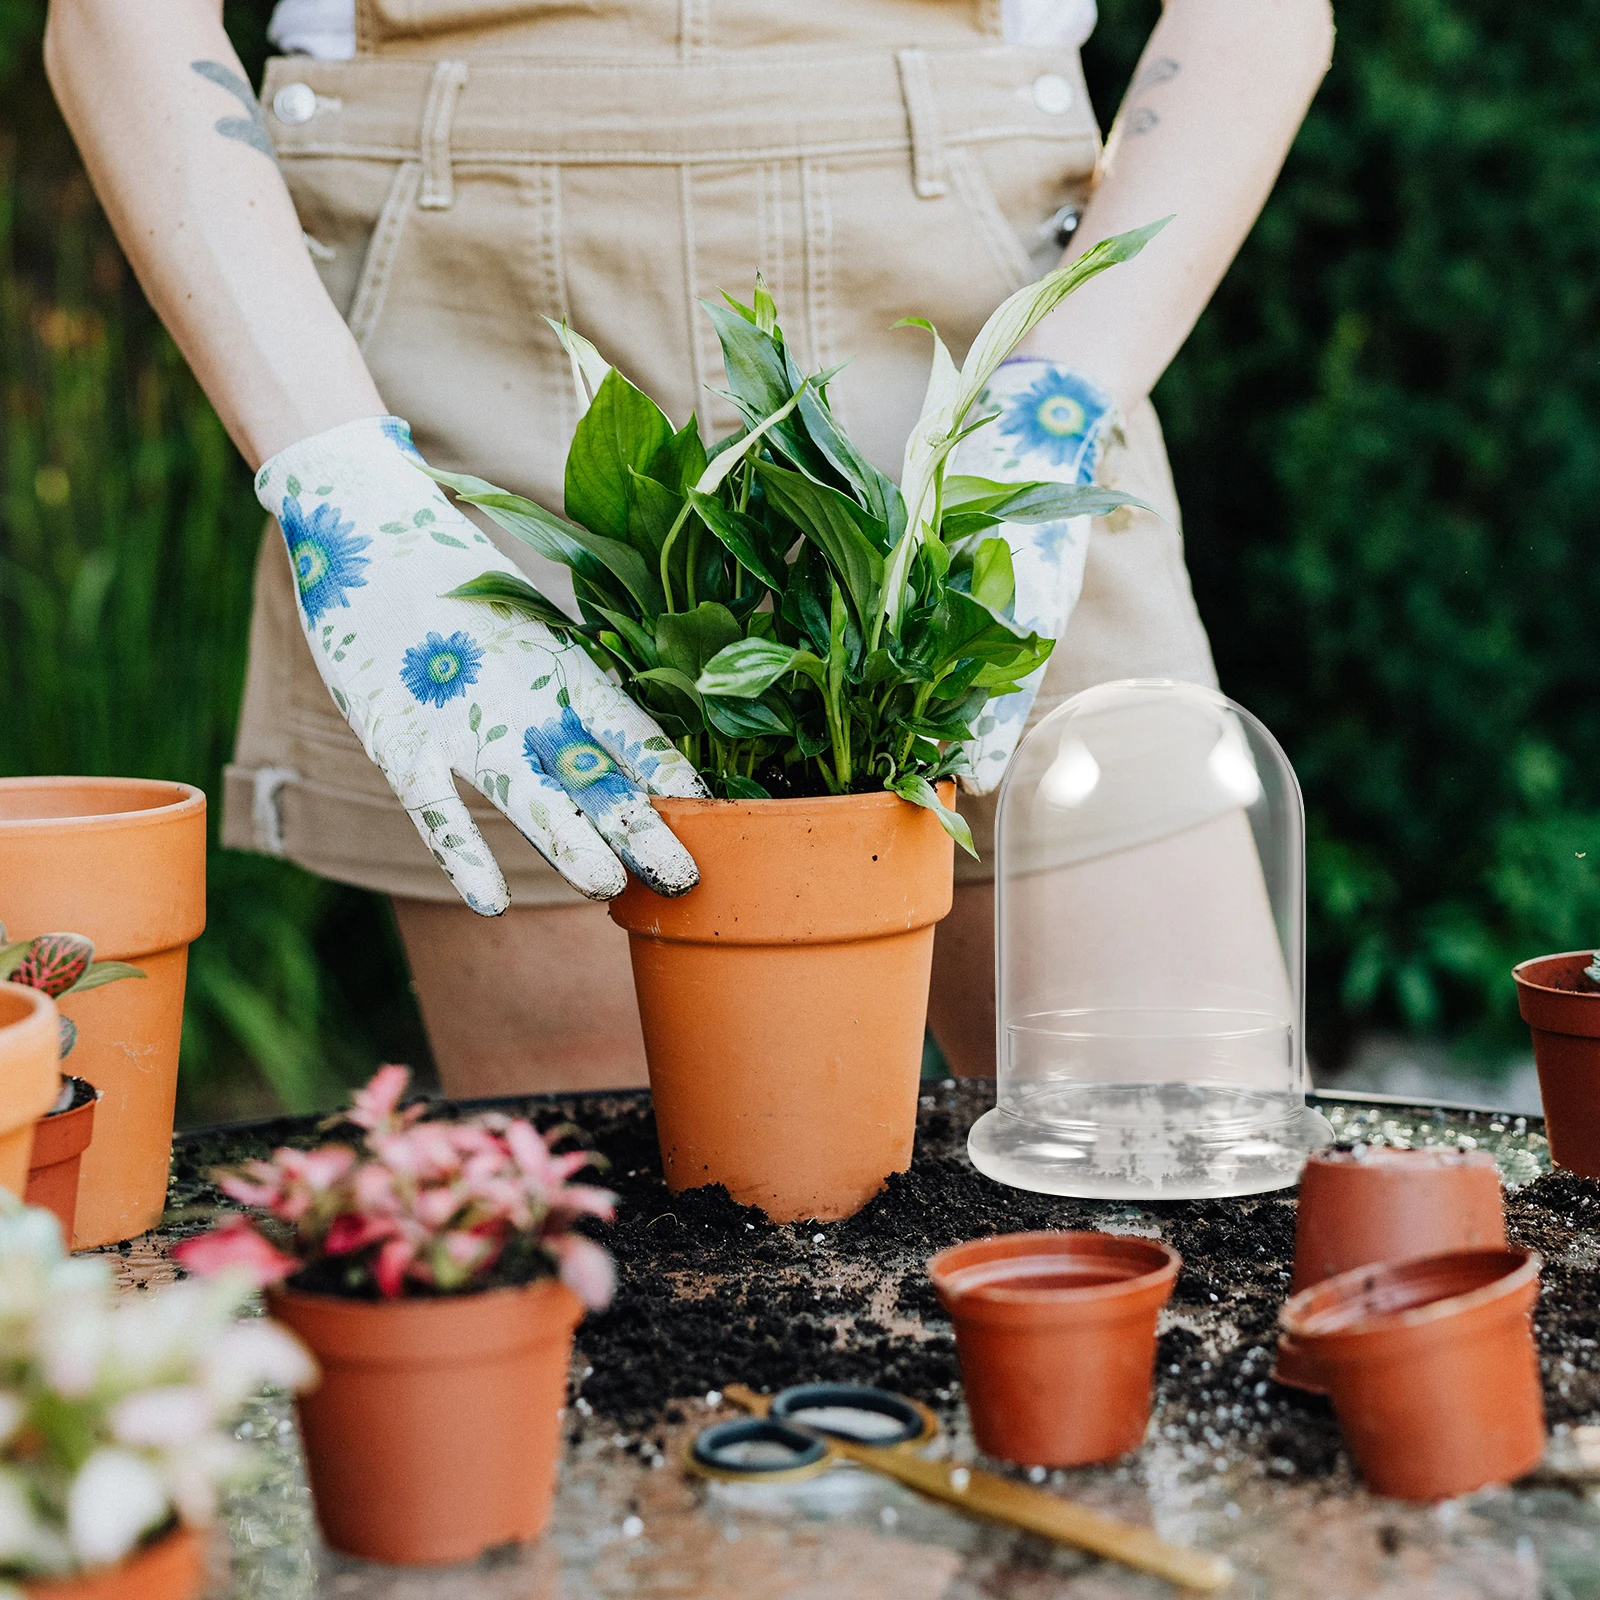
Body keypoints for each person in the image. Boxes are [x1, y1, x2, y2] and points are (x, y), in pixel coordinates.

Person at [44, 0, 1334, 1094]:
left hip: (979, 341)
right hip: (478, 322)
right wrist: (340, 482)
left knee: (1181, 1175)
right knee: (653, 1276)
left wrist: (1063, 393)